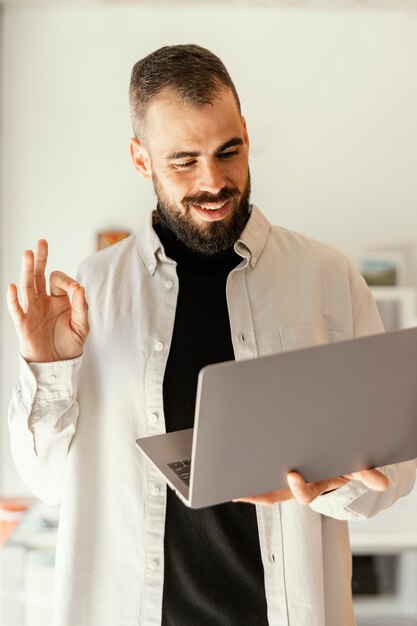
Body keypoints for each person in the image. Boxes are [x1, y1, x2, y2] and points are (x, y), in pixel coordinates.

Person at [6, 44, 416, 626]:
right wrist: (47, 368)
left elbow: (388, 477)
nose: (215, 181)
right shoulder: (92, 288)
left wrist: (332, 486)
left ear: (246, 132)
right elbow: (46, 481)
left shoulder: (327, 277)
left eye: (230, 151)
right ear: (140, 159)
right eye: (183, 161)